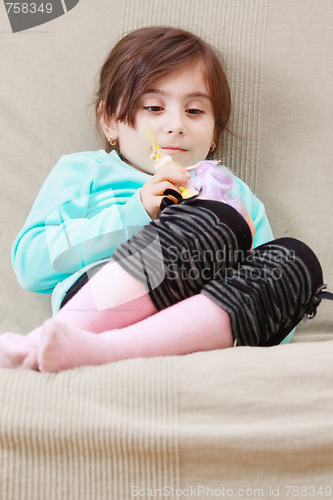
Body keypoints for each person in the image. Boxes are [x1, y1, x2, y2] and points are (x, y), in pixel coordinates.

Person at [0, 27, 331, 372]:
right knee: (206, 225)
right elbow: (31, 264)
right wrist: (136, 213)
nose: (175, 125)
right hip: (104, 305)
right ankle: (71, 339)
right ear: (110, 121)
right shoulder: (86, 171)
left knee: (295, 262)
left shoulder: (235, 193)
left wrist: (238, 246)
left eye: (195, 112)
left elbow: (270, 302)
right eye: (155, 107)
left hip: (201, 323)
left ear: (215, 132)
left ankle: (103, 351)